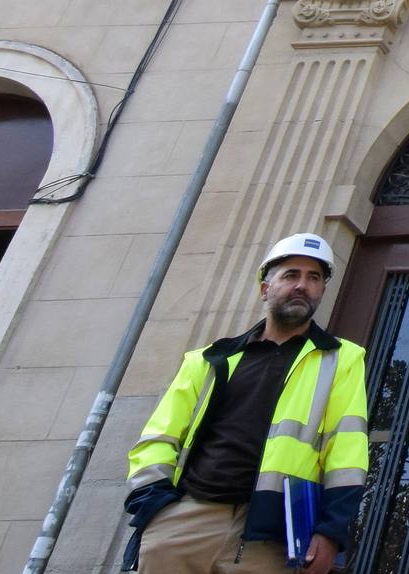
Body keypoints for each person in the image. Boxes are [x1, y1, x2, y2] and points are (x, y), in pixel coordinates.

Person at [123, 233, 369, 574]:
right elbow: (158, 438)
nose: (303, 285)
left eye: (314, 278)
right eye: (291, 275)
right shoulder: (208, 360)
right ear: (265, 289)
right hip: (186, 519)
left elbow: (347, 453)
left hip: (268, 537)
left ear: (322, 292)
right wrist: (155, 504)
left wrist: (331, 532)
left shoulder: (341, 359)